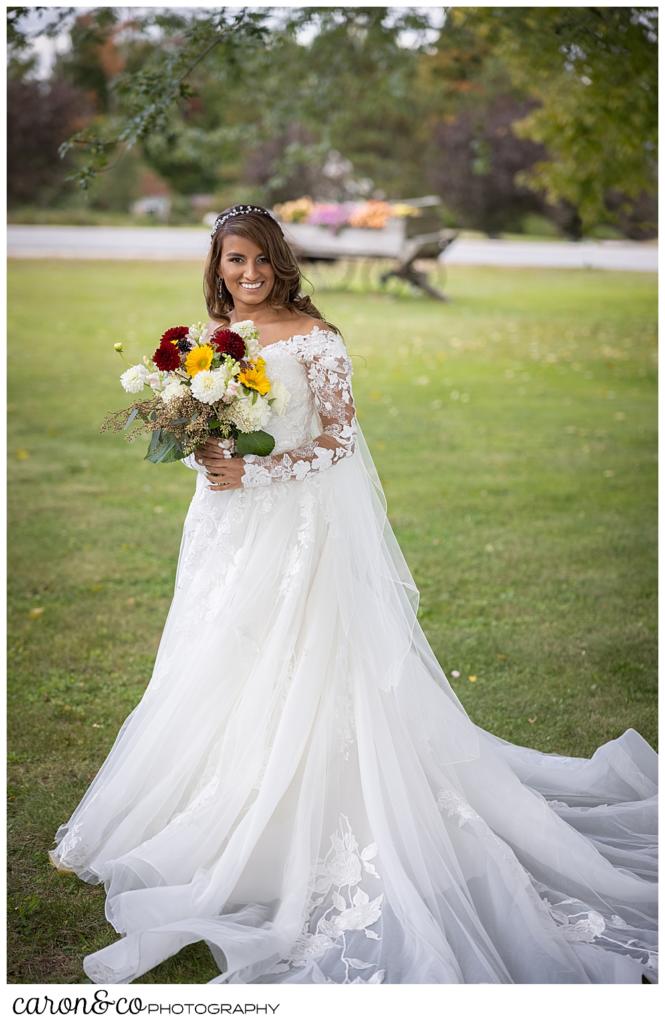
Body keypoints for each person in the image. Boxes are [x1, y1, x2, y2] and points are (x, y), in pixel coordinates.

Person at [48, 203, 657, 985]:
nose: (249, 274)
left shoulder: (317, 340)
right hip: (224, 527)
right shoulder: (202, 343)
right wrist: (205, 446)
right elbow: (210, 428)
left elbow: (337, 440)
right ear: (217, 266)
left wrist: (261, 468)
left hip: (298, 529)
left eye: (261, 260)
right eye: (235, 261)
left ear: (282, 262)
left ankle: (292, 822)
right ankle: (211, 805)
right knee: (218, 657)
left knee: (302, 663)